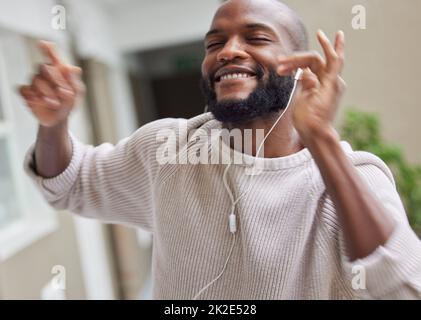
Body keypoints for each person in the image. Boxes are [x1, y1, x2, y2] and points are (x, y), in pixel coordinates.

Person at [19, 0, 421, 299]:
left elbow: (403, 287)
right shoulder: (168, 150)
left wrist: (321, 139)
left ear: (299, 66)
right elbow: (70, 182)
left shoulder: (352, 175)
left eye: (256, 37)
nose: (228, 50)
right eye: (214, 43)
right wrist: (53, 126)